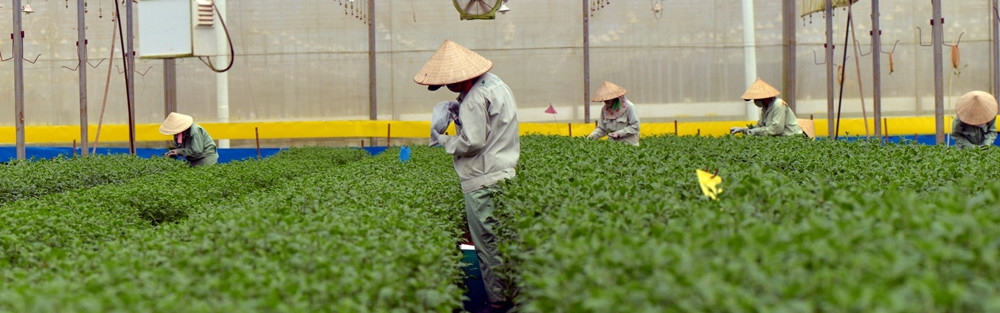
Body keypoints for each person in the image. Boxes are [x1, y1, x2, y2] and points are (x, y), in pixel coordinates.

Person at [415, 39, 519, 313]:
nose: (450, 88)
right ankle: (511, 297)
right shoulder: (496, 84)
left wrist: (444, 141)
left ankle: (497, 303)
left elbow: (472, 142)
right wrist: (459, 111)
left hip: (482, 180)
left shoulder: (473, 99)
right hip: (503, 172)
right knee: (503, 241)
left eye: (452, 84)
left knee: (487, 244)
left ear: (462, 78)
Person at [730, 78, 805, 137]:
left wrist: (755, 131)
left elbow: (777, 129)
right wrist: (742, 129)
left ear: (764, 97)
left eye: (756, 99)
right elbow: (760, 126)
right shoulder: (765, 109)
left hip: (791, 138)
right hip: (780, 139)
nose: (755, 101)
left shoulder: (778, 104)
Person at [587, 81, 641, 146]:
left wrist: (619, 133)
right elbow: (601, 128)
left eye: (608, 99)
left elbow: (635, 126)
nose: (605, 101)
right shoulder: (604, 109)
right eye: (604, 99)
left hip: (629, 146)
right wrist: (591, 137)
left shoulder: (629, 107)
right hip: (613, 147)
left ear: (615, 98)